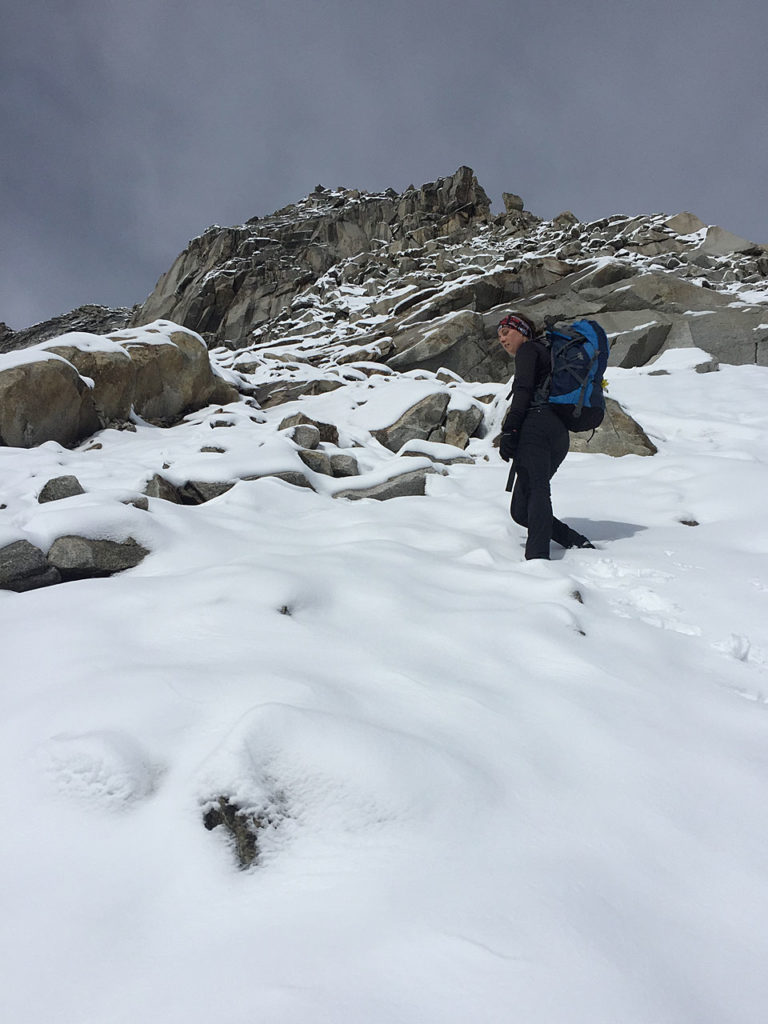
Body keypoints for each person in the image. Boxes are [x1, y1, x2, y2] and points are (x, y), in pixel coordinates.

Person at [497, 313, 595, 560]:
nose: (502, 339)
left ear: (522, 331)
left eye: (506, 332)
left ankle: (538, 560)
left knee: (538, 491)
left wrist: (510, 429)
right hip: (558, 433)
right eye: (499, 335)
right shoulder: (548, 353)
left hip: (537, 427)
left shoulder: (529, 350)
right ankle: (574, 540)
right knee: (521, 509)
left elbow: (523, 389)